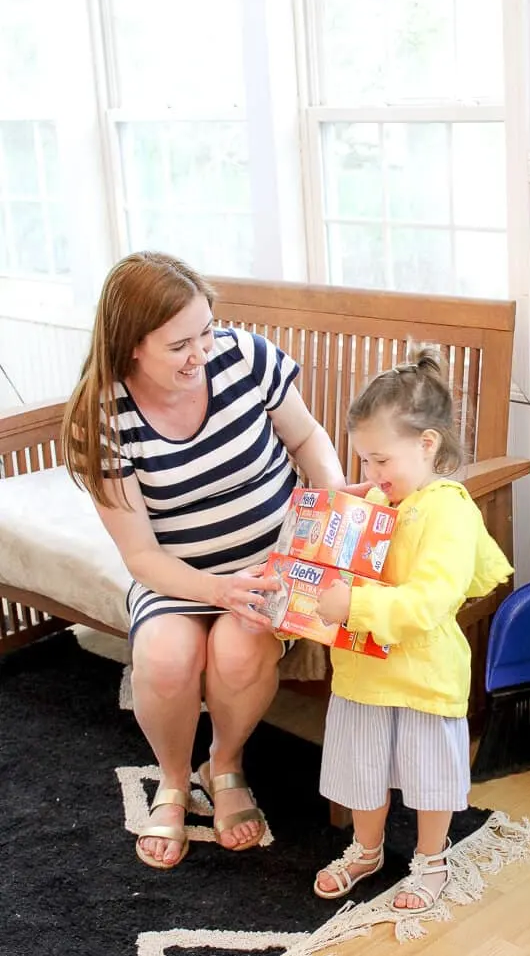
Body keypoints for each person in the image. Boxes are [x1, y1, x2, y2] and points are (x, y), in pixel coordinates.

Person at [62, 251, 348, 870]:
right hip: (175, 577)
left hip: (272, 565)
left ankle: (225, 764)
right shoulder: (103, 417)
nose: (202, 353)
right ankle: (171, 778)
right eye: (179, 345)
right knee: (166, 657)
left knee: (239, 648)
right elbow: (138, 554)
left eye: (206, 332)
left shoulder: (244, 357)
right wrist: (216, 591)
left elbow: (308, 439)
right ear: (131, 346)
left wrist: (325, 519)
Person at [311, 346, 513, 912]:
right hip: (364, 666)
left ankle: (431, 858)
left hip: (423, 672)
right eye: (364, 463)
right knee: (363, 767)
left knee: (429, 776)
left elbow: (427, 602)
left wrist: (351, 603)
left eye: (380, 461)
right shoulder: (384, 497)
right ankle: (366, 847)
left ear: (427, 445)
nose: (371, 476)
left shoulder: (449, 511)